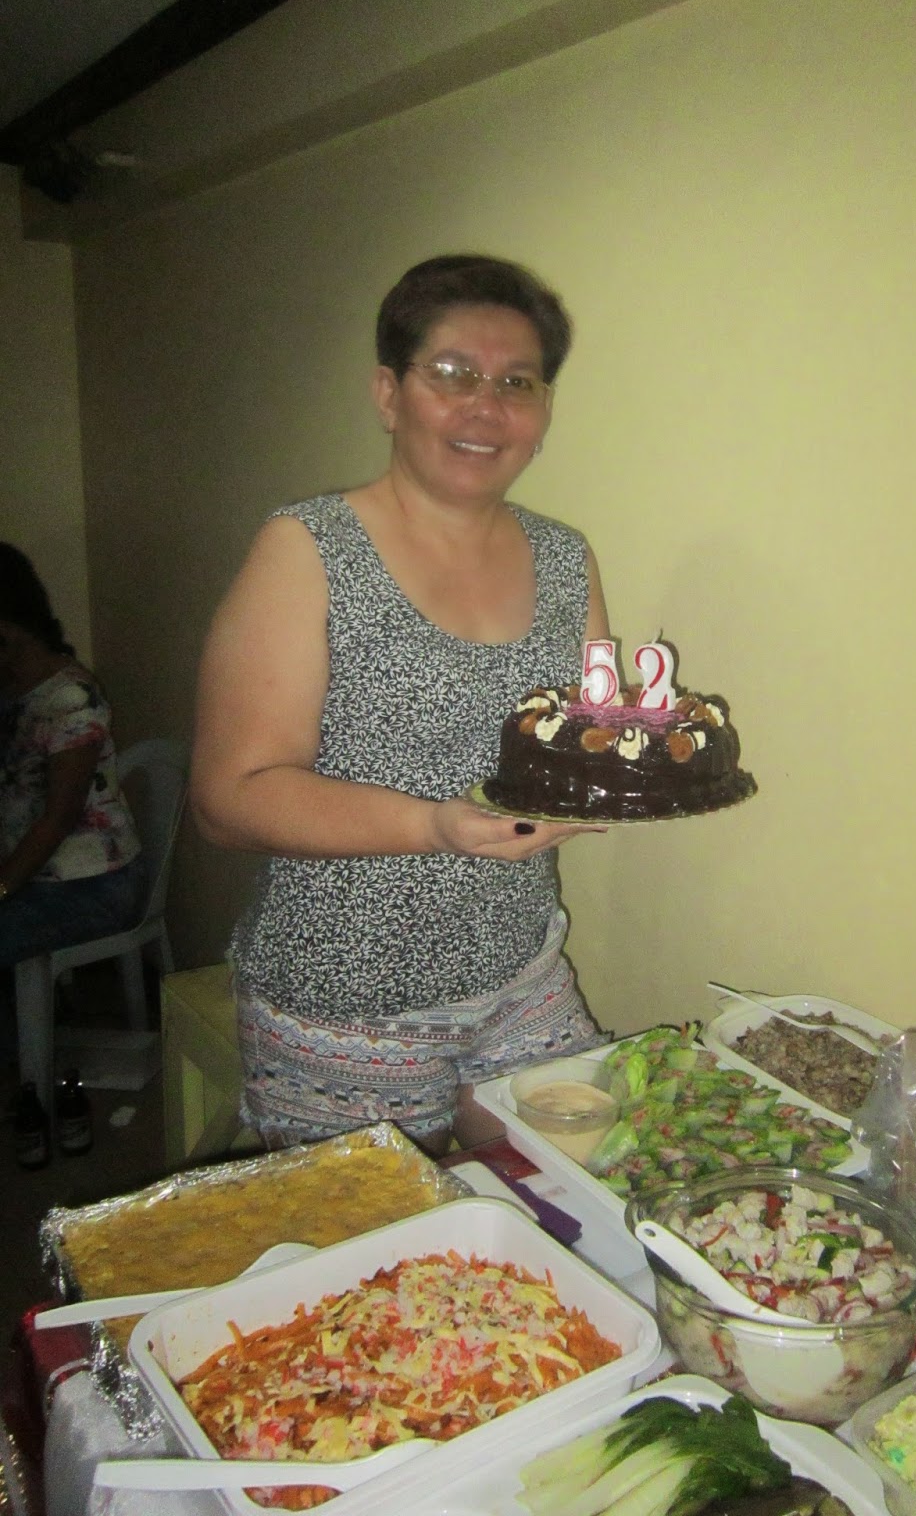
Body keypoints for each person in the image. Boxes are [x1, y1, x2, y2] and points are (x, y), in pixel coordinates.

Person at [192, 253, 611, 1153]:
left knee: (586, 1192)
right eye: (452, 374)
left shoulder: (566, 558)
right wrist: (434, 825)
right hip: (345, 1003)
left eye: (516, 382)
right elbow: (228, 799)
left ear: (543, 411)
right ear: (389, 394)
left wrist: (620, 774)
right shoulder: (308, 548)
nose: (485, 406)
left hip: (522, 970)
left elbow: (589, 739)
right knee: (385, 1241)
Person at [0, 545, 146, 970]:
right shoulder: (11, 688)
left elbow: (58, 818)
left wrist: (1, 888)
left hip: (93, 884)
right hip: (32, 875)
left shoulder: (71, 699)